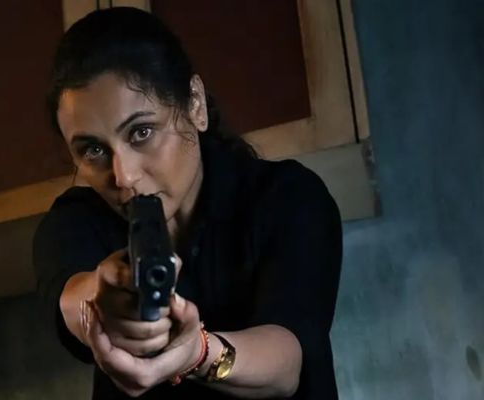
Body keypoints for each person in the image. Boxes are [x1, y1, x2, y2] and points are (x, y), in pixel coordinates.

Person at [33, 6, 342, 400]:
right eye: (93, 150)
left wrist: (197, 353)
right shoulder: (73, 222)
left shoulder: (289, 197)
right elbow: (72, 297)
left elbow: (286, 363)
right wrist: (104, 304)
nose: (124, 176)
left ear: (194, 103)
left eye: (141, 132)